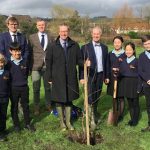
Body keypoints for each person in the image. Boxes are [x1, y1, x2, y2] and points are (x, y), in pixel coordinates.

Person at [45, 23, 83, 131]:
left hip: (70, 77)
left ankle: (68, 122)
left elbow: (79, 60)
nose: (64, 33)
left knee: (69, 100)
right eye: (62, 31)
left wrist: (84, 63)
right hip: (57, 78)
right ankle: (62, 123)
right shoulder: (52, 46)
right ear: (59, 32)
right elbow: (49, 63)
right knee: (58, 100)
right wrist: (49, 77)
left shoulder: (74, 45)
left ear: (68, 32)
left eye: (65, 31)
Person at [79, 26, 108, 130]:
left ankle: (94, 113)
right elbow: (81, 65)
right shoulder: (85, 47)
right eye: (94, 34)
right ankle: (91, 120)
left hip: (100, 75)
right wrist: (82, 77)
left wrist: (106, 76)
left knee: (97, 96)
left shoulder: (105, 48)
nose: (96, 35)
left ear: (100, 35)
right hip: (90, 75)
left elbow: (106, 63)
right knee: (90, 97)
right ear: (92, 34)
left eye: (98, 34)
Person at [8, 42, 35, 132]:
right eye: (14, 51)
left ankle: (27, 123)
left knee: (25, 106)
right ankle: (16, 125)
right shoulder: (8, 63)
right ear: (10, 51)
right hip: (13, 88)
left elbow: (26, 73)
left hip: (24, 87)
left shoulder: (24, 61)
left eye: (19, 51)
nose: (17, 53)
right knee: (14, 107)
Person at [29, 19, 54, 115]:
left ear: (45, 25)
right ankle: (36, 107)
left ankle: (48, 105)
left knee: (48, 88)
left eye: (43, 25)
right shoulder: (31, 37)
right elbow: (30, 52)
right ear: (36, 26)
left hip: (47, 66)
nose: (41, 26)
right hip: (35, 67)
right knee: (36, 88)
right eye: (39, 25)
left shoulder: (50, 37)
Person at [120, 42, 140, 126]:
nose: (128, 51)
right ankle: (132, 119)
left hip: (134, 85)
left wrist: (139, 87)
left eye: (130, 50)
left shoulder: (137, 61)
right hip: (126, 85)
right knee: (130, 103)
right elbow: (121, 73)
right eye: (126, 50)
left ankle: (135, 121)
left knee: (135, 103)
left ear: (134, 50)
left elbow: (140, 75)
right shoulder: (123, 62)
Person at [107, 35, 126, 123]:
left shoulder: (125, 54)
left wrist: (120, 70)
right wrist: (108, 75)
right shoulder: (110, 54)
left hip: (122, 78)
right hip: (112, 78)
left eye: (118, 42)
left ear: (122, 43)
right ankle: (115, 112)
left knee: (121, 97)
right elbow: (107, 66)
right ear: (113, 44)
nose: (117, 44)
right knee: (114, 97)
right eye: (115, 42)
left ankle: (121, 114)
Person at [139, 35, 150, 132]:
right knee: (149, 105)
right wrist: (147, 79)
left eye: (149, 43)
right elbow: (140, 70)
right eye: (145, 44)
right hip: (147, 84)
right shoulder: (142, 56)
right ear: (143, 45)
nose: (147, 45)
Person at [0, 53, 10, 141]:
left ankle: (3, 130)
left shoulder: (7, 73)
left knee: (3, 114)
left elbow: (9, 85)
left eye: (2, 62)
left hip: (5, 98)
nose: (0, 64)